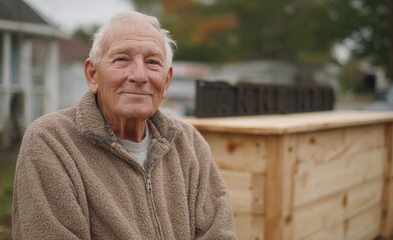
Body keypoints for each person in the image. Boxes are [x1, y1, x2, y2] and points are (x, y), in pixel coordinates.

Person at [12, 11, 237, 239]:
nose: (139, 75)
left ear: (167, 80)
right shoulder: (51, 141)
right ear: (93, 75)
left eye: (152, 62)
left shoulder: (189, 143)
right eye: (122, 59)